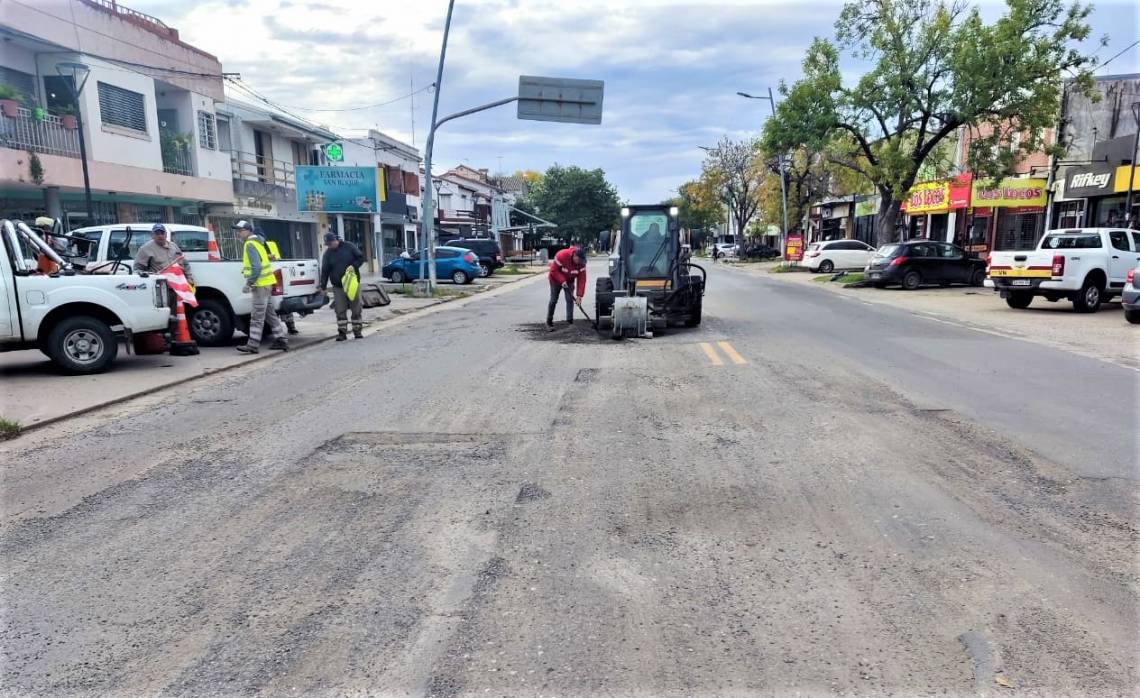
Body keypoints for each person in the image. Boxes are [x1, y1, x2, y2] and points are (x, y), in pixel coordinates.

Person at [234, 220, 288, 354]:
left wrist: (249, 283)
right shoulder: (257, 242)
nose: (238, 234)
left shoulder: (250, 244)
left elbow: (256, 267)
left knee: (257, 315)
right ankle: (281, 339)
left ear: (247, 231)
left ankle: (252, 344)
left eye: (240, 231)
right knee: (270, 314)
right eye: (237, 231)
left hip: (260, 285)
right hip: (266, 283)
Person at [318, 232, 365, 341]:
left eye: (331, 243)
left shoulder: (349, 247)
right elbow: (325, 271)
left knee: (356, 307)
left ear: (336, 240)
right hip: (338, 286)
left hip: (353, 284)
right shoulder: (328, 254)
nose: (330, 246)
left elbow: (360, 258)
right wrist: (323, 286)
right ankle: (342, 332)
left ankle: (357, 331)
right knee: (340, 309)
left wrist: (354, 266)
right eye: (328, 244)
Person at [258, 225, 299, 335]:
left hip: (275, 276)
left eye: (260, 236)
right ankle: (276, 330)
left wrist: (269, 257)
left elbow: (276, 257)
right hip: (266, 279)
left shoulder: (270, 245)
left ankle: (291, 326)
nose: (260, 239)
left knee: (283, 306)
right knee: (272, 307)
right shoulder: (255, 247)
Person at [547, 244, 587, 327]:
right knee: (553, 300)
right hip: (555, 280)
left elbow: (582, 280)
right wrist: (562, 281)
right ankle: (549, 320)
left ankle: (569, 321)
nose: (580, 263)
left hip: (569, 281)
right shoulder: (561, 255)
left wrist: (579, 296)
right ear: (575, 256)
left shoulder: (581, 263)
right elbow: (553, 270)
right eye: (579, 260)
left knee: (570, 300)